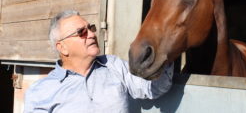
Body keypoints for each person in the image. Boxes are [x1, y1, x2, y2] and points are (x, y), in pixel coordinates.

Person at [24, 10, 173, 113]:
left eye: (91, 28)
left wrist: (169, 52)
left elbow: (152, 89)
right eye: (81, 32)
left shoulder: (113, 65)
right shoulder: (41, 92)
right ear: (62, 47)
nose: (92, 34)